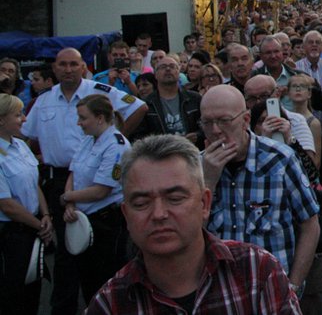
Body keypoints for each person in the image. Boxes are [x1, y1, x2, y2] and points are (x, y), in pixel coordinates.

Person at [85, 134, 301, 314]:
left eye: (175, 198)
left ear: (204, 203)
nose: (159, 214)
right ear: (126, 214)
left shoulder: (258, 272)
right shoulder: (110, 304)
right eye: (141, 203)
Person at [22, 47, 147, 315]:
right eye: (62, 64)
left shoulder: (100, 91)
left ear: (83, 67)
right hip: (63, 180)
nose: (67, 69)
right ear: (54, 69)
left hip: (96, 196)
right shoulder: (44, 101)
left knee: (99, 265)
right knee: (67, 259)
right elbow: (27, 135)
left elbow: (139, 106)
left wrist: (113, 137)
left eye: (73, 64)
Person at [200, 85, 320, 298]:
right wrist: (208, 180)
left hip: (272, 289)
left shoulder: (280, 159)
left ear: (245, 120)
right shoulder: (197, 166)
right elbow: (189, 233)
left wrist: (293, 286)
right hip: (220, 291)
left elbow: (310, 223)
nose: (216, 130)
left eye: (224, 121)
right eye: (208, 122)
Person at [62, 95, 132, 304]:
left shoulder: (116, 145)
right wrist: (70, 203)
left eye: (83, 118)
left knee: (104, 281)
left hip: (106, 224)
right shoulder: (88, 140)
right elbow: (73, 173)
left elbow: (101, 190)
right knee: (88, 280)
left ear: (100, 118)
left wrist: (66, 197)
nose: (79, 123)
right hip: (82, 218)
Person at [0, 93, 55, 314]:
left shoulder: (21, 146)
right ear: (1, 119)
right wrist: (39, 225)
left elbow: (35, 184)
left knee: (32, 290)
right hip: (10, 235)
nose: (24, 119)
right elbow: (6, 205)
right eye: (18, 114)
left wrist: (46, 216)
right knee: (12, 295)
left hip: (33, 227)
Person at [134, 55, 202, 144]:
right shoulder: (146, 104)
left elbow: (206, 126)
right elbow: (139, 137)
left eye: (172, 66)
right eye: (163, 67)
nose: (168, 69)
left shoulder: (195, 98)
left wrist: (197, 135)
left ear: (179, 72)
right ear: (155, 75)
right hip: (161, 154)